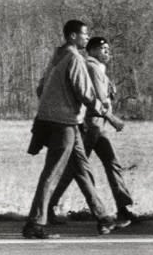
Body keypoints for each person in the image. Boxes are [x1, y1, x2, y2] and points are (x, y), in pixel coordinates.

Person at [23, 19, 116, 239]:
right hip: (64, 124)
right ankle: (34, 224)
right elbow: (84, 92)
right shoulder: (75, 58)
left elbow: (40, 88)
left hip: (58, 121)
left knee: (82, 170)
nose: (86, 37)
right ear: (73, 36)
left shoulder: (57, 57)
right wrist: (105, 112)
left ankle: (103, 216)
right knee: (52, 173)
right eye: (84, 34)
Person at [49, 36, 139, 226]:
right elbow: (97, 99)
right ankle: (49, 205)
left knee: (111, 163)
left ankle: (123, 208)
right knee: (76, 169)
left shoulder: (98, 68)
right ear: (91, 51)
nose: (107, 51)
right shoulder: (91, 67)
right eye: (102, 48)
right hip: (92, 125)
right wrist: (113, 119)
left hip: (98, 126)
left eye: (107, 48)